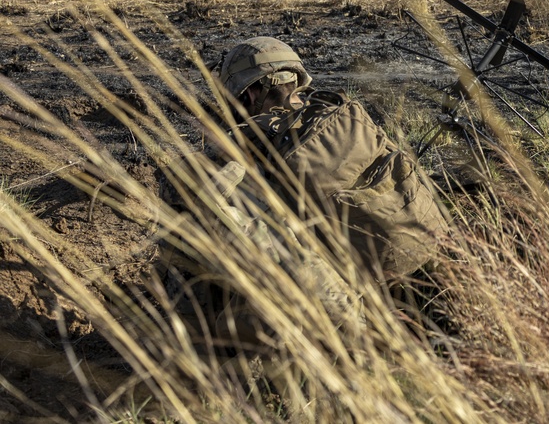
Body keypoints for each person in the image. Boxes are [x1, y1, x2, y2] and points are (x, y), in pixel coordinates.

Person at [160, 36, 449, 353]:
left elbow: (228, 219)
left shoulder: (253, 141)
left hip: (345, 311)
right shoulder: (344, 113)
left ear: (251, 91)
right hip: (424, 262)